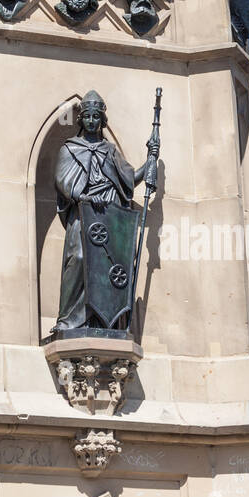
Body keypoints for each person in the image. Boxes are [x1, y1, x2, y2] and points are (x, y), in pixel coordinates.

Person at [52, 90, 155, 332]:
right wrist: (83, 196)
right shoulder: (70, 149)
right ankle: (68, 320)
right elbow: (62, 180)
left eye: (95, 117)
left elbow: (129, 179)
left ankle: (103, 321)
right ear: (81, 120)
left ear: (101, 121)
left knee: (108, 265)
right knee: (77, 259)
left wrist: (150, 159)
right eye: (86, 116)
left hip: (108, 212)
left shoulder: (109, 151)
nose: (90, 121)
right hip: (83, 212)